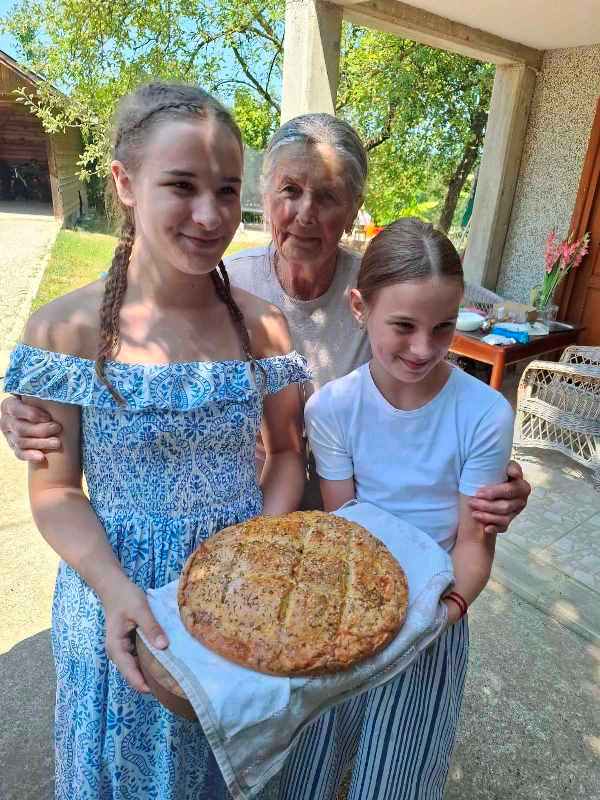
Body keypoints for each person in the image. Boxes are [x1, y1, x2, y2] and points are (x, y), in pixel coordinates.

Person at [1, 113, 530, 531]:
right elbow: (119, 315)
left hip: (360, 520)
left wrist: (490, 477)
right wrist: (27, 406)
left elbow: (436, 404)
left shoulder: (383, 294)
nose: (306, 213)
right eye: (290, 190)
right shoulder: (221, 281)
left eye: (328, 196)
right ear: (265, 194)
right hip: (245, 518)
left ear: (354, 209)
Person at [3, 81, 309, 799]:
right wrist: (117, 591)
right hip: (116, 597)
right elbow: (55, 491)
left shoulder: (265, 328)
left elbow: (287, 454)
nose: (210, 214)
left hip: (236, 591)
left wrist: (250, 561)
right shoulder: (64, 331)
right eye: (181, 185)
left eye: (227, 190)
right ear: (124, 182)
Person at [289, 217, 515, 800]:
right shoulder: (332, 409)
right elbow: (347, 526)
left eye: (443, 328)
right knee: (316, 754)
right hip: (351, 599)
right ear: (360, 308)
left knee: (397, 771)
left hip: (438, 604)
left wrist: (444, 613)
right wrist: (364, 617)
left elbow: (473, 542)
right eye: (404, 326)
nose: (423, 349)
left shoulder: (485, 414)